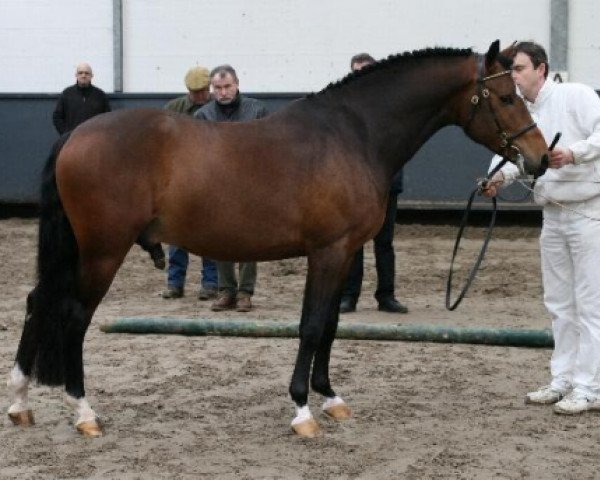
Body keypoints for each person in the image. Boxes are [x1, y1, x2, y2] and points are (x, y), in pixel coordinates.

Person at [482, 41, 600, 414]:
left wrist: (575, 153)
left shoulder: (576, 95)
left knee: (590, 303)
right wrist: (498, 177)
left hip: (588, 211)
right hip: (553, 213)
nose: (514, 77)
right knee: (559, 303)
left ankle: (590, 386)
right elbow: (520, 157)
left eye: (518, 69)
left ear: (541, 69)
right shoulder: (521, 111)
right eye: (511, 70)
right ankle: (563, 377)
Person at [194, 64, 268, 312]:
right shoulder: (203, 116)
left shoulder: (257, 110)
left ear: (237, 84)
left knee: (249, 239)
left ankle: (245, 292)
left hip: (251, 185)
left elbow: (270, 148)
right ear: (212, 89)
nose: (223, 92)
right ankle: (226, 290)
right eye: (218, 88)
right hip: (217, 187)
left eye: (227, 87)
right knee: (221, 239)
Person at [339, 53, 408, 314]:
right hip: (354, 186)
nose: (361, 75)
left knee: (384, 242)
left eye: (366, 71)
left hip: (385, 184)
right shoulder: (346, 106)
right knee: (353, 244)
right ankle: (349, 295)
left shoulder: (391, 106)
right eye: (357, 71)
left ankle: (386, 295)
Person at [161, 66, 218, 301]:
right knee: (176, 235)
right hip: (181, 179)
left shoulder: (216, 109)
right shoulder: (173, 109)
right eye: (195, 92)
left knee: (211, 234)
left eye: (203, 91)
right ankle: (175, 283)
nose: (200, 96)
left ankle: (211, 283)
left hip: (210, 179)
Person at [52, 62, 111, 134]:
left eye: (87, 73)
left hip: (94, 140)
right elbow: (57, 117)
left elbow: (107, 119)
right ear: (76, 75)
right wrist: (66, 135)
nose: (83, 75)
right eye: (80, 73)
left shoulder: (100, 95)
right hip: (73, 140)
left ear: (92, 76)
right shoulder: (67, 94)